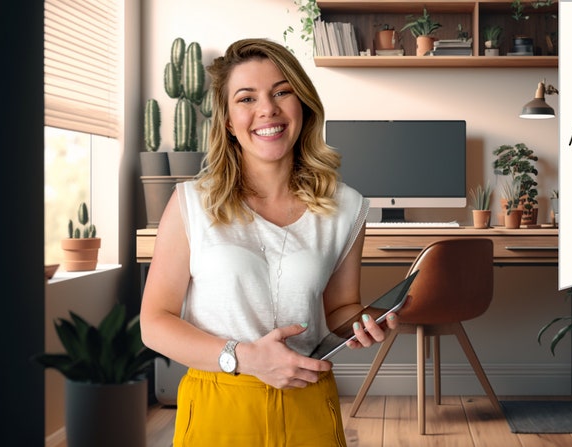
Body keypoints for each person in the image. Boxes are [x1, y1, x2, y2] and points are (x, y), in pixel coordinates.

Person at [140, 38, 396, 446]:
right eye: (246, 98)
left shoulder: (346, 207)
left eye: (282, 92)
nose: (268, 110)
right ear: (226, 120)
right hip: (217, 405)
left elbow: (340, 309)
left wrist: (366, 323)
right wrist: (244, 357)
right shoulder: (191, 203)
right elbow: (154, 324)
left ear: (303, 105)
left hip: (308, 403)